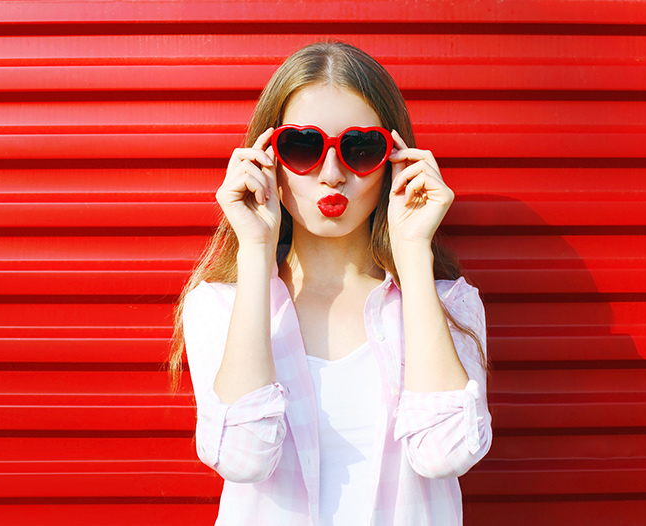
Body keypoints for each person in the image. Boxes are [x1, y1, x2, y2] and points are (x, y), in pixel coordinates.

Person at [168, 41, 492, 526]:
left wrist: (412, 252)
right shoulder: (218, 307)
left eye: (361, 149)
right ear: (266, 159)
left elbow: (444, 454)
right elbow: (242, 458)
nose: (333, 175)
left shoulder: (447, 306)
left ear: (394, 160)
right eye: (304, 147)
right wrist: (256, 250)